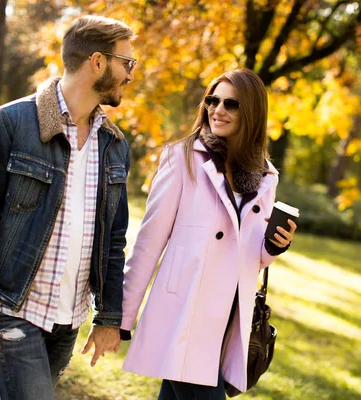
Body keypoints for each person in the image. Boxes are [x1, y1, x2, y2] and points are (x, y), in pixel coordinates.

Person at [0, 15, 136, 399]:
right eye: (127, 63)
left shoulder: (114, 145)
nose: (131, 75)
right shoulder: (10, 123)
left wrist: (109, 317)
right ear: (97, 62)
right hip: (12, 308)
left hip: (68, 317)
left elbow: (114, 241)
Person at [119, 68, 297, 399]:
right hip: (183, 314)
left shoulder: (264, 176)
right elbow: (148, 243)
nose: (218, 110)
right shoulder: (183, 158)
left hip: (227, 319)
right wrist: (122, 317)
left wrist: (274, 246)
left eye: (231, 104)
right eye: (213, 101)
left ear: (252, 113)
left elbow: (251, 257)